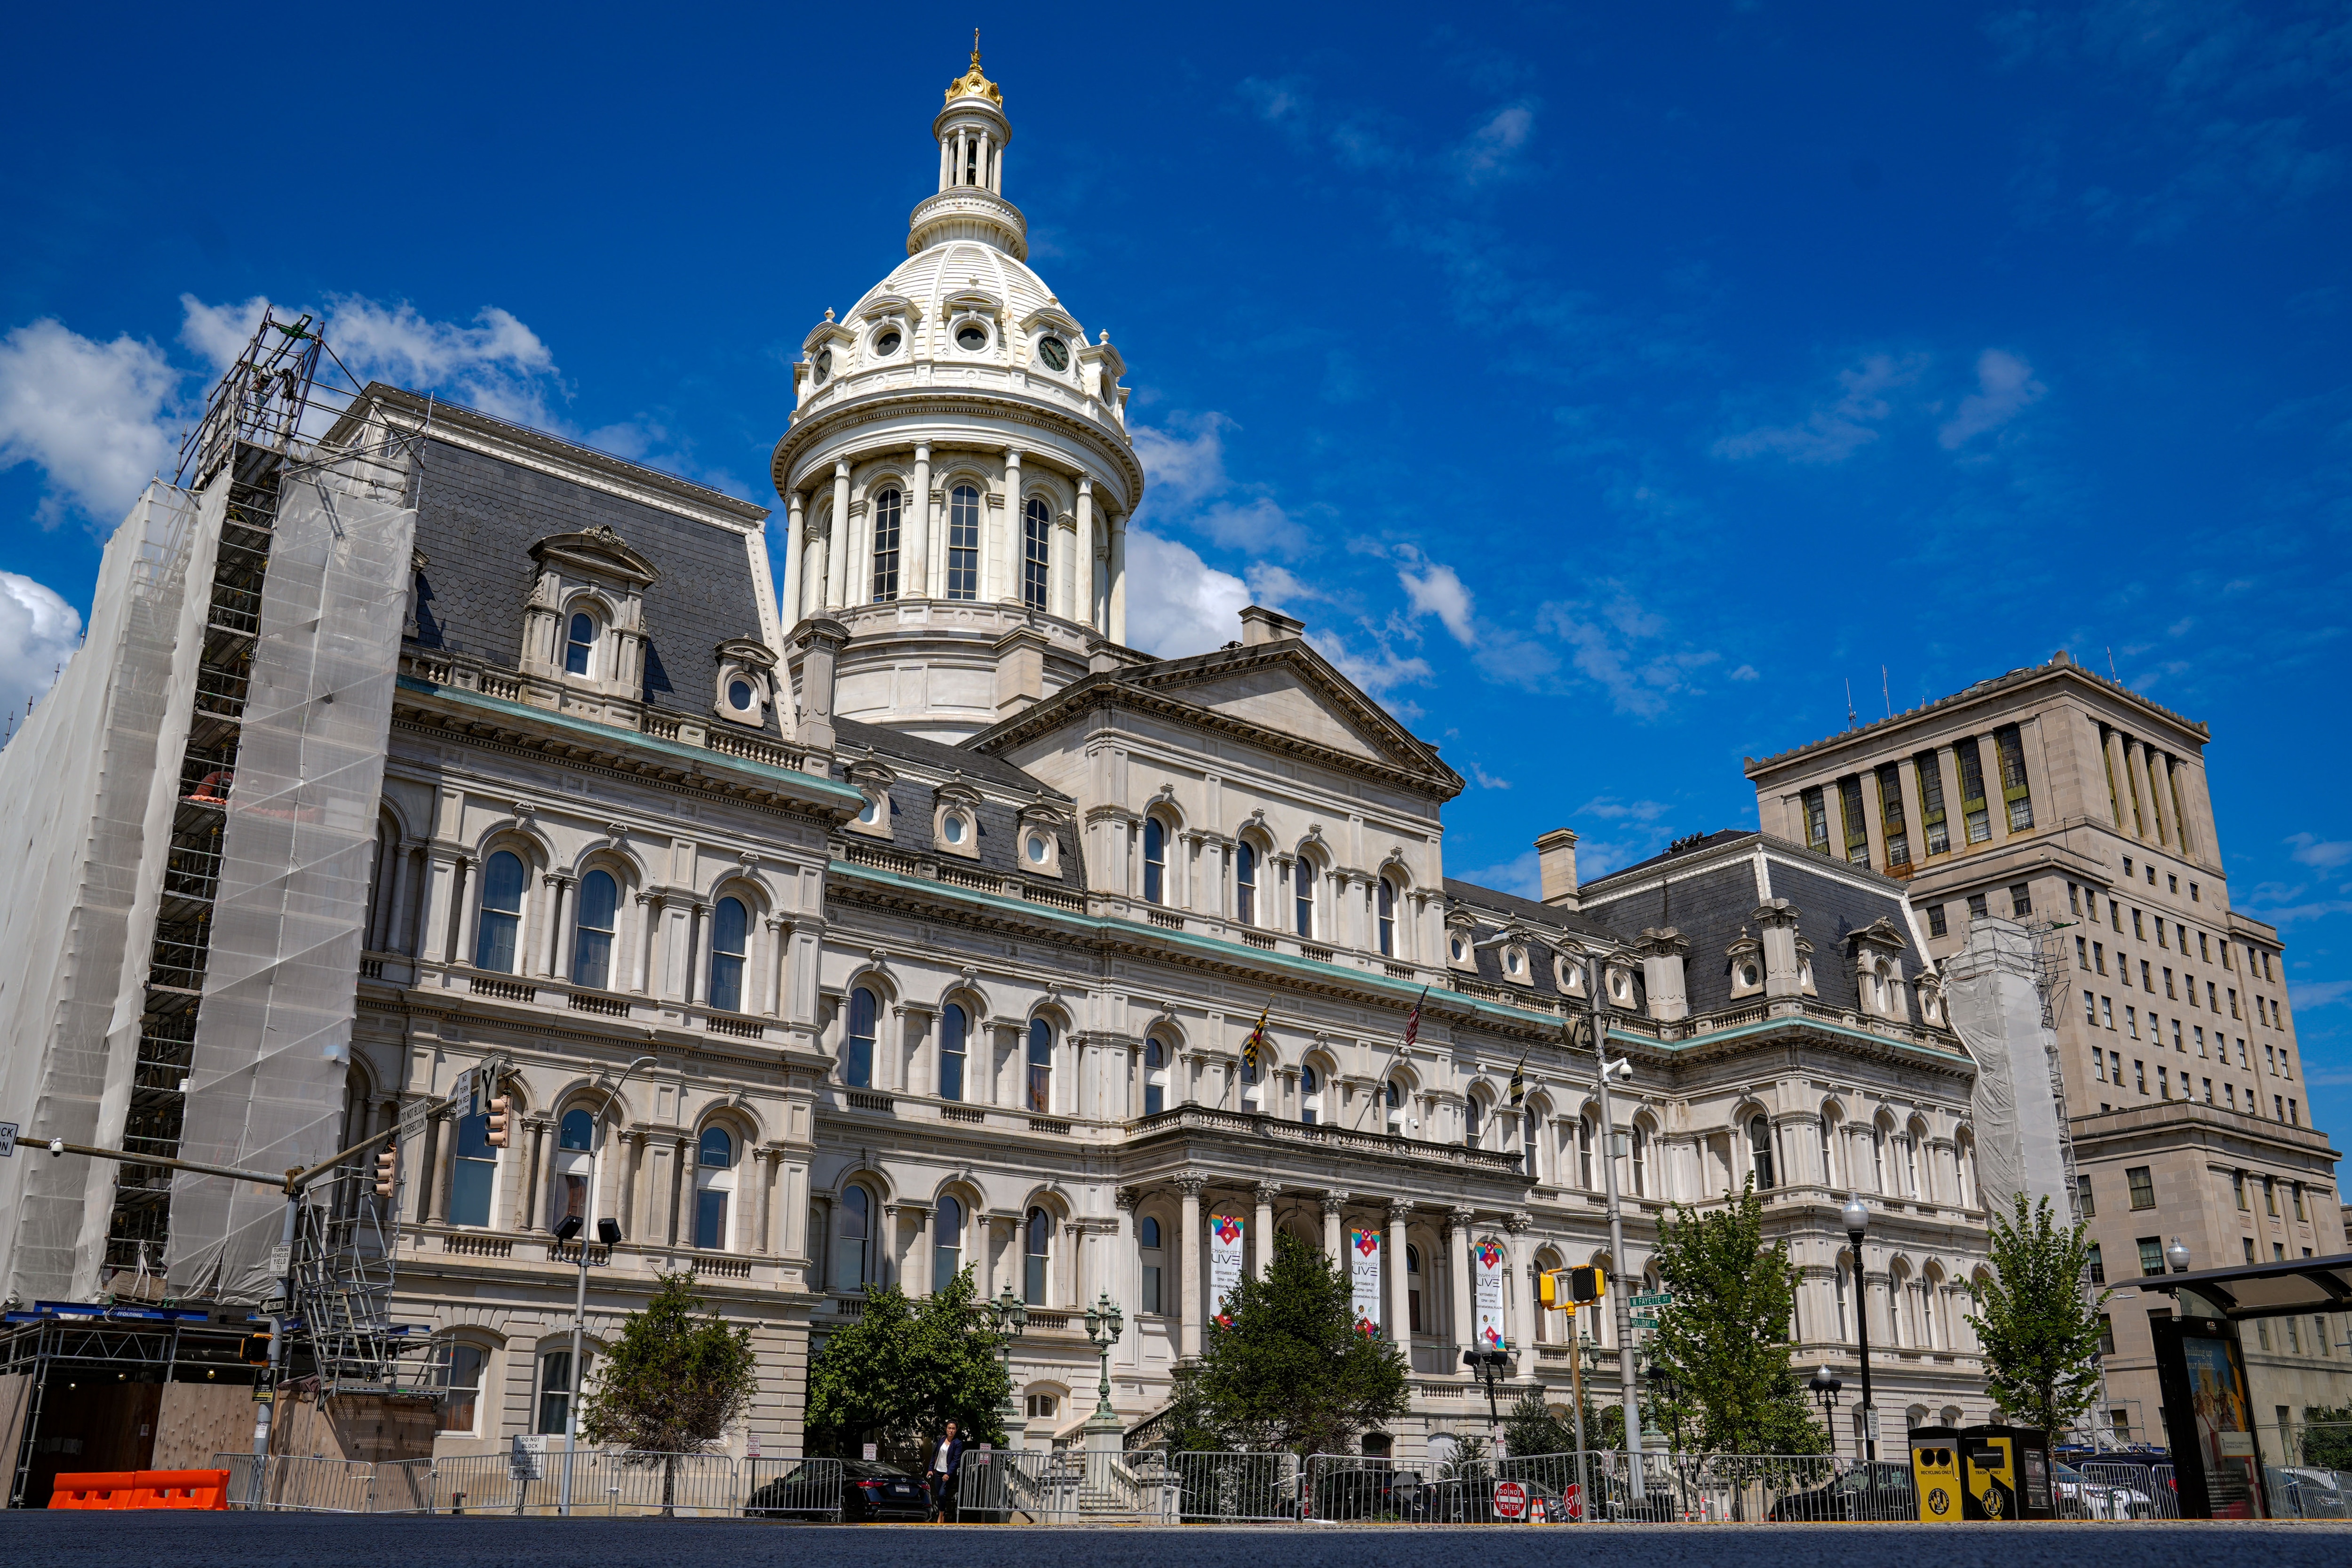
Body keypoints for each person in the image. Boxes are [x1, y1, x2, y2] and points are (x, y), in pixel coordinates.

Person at [924, 1419, 965, 1522]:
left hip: (948, 1473)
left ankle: (941, 1515)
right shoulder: (942, 1439)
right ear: (946, 1429)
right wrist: (930, 1469)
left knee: (943, 1493)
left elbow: (956, 1460)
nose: (951, 1431)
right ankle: (942, 1513)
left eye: (953, 1429)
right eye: (949, 1428)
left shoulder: (958, 1443)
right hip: (938, 1471)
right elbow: (935, 1454)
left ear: (956, 1430)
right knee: (939, 1495)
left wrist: (949, 1473)